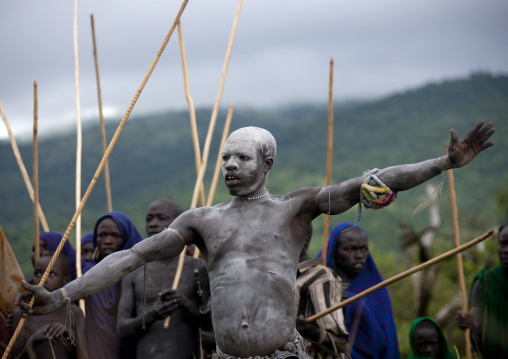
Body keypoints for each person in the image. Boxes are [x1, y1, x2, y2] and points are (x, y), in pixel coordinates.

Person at [17, 122, 495, 358]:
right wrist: (59, 294)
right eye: (224, 158)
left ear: (266, 163)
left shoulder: (296, 209)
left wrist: (443, 164)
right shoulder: (202, 220)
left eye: (240, 158)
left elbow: (370, 182)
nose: (228, 166)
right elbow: (128, 258)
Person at [117, 199, 211, 358]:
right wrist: (152, 315)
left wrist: (185, 304)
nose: (153, 224)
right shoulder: (134, 271)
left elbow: (209, 325)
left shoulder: (197, 267)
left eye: (161, 218)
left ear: (179, 222)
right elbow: (122, 328)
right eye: (149, 219)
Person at [318, 222, 400, 358]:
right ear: (334, 251)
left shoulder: (377, 292)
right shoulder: (315, 285)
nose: (359, 255)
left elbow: (384, 338)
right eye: (350, 249)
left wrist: (349, 303)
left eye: (363, 249)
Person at [83, 211, 143, 359]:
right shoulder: (88, 273)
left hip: (132, 348)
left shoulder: (141, 272)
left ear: (128, 237)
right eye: (102, 235)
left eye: (115, 236)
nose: (107, 241)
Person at [11, 255, 88, 359]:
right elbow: (16, 357)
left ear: (66, 281)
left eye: (51, 274)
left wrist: (68, 335)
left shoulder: (74, 313)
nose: (43, 279)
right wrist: (33, 340)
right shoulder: (23, 314)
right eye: (38, 273)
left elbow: (84, 357)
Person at [295, 224, 348, 358]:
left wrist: (311, 331)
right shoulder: (270, 277)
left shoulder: (321, 277)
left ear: (305, 240)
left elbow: (341, 345)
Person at [456, 223, 508, 357]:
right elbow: (475, 337)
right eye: (502, 244)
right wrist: (468, 324)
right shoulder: (484, 283)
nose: (506, 250)